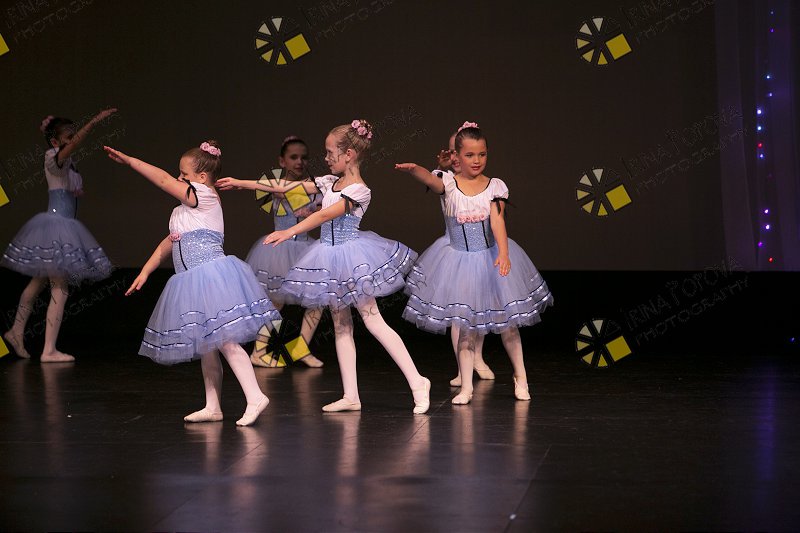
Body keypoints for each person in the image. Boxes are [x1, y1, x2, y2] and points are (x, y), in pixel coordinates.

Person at [218, 119, 430, 414]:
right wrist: (243, 183)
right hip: (329, 258)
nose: (326, 158)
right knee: (341, 326)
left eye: (330, 152)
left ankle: (418, 382)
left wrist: (289, 231)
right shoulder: (331, 182)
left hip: (352, 258)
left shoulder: (359, 190)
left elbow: (324, 216)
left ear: (349, 155)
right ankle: (351, 395)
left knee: (373, 321)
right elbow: (289, 187)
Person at [104, 141, 275, 426]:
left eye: (184, 175)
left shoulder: (204, 195)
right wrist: (146, 271)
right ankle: (213, 406)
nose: (178, 178)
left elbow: (162, 180)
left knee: (226, 341)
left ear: (202, 178)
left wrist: (131, 160)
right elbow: (168, 244)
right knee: (207, 346)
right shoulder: (183, 210)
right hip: (191, 280)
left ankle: (255, 396)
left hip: (209, 276)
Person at [396, 121, 553, 404]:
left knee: (509, 325)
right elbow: (430, 180)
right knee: (465, 328)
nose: (477, 160)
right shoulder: (449, 184)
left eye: (482, 154)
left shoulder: (495, 186)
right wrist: (414, 169)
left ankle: (521, 378)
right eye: (470, 155)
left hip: (490, 259)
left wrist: (503, 253)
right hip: (459, 262)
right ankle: (466, 387)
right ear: (457, 156)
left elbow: (497, 221)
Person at [2, 109, 117, 362]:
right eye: (68, 137)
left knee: (37, 283)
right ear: (55, 141)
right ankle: (49, 350)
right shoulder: (53, 158)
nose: (73, 140)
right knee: (60, 289)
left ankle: (16, 331)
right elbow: (74, 145)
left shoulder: (67, 162)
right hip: (57, 228)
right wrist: (94, 122)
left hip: (61, 227)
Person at [238, 136, 324, 368]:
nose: (299, 162)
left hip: (305, 249)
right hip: (280, 250)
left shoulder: (314, 186)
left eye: (304, 157)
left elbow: (319, 211)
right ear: (282, 161)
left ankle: (301, 348)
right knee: (275, 302)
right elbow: (292, 199)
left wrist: (318, 206)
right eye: (293, 157)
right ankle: (258, 352)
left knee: (318, 301)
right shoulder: (278, 185)